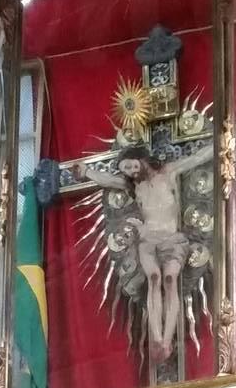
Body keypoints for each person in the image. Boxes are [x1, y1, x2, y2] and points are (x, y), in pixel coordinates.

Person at [74, 143, 210, 365]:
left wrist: (222, 142)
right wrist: (86, 171)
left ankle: (167, 339)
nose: (131, 172)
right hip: (147, 241)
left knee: (170, 279)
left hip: (172, 239)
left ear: (140, 158)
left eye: (131, 165)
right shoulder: (134, 186)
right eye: (126, 170)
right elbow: (108, 180)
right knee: (154, 278)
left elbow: (196, 158)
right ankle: (157, 338)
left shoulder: (168, 172)